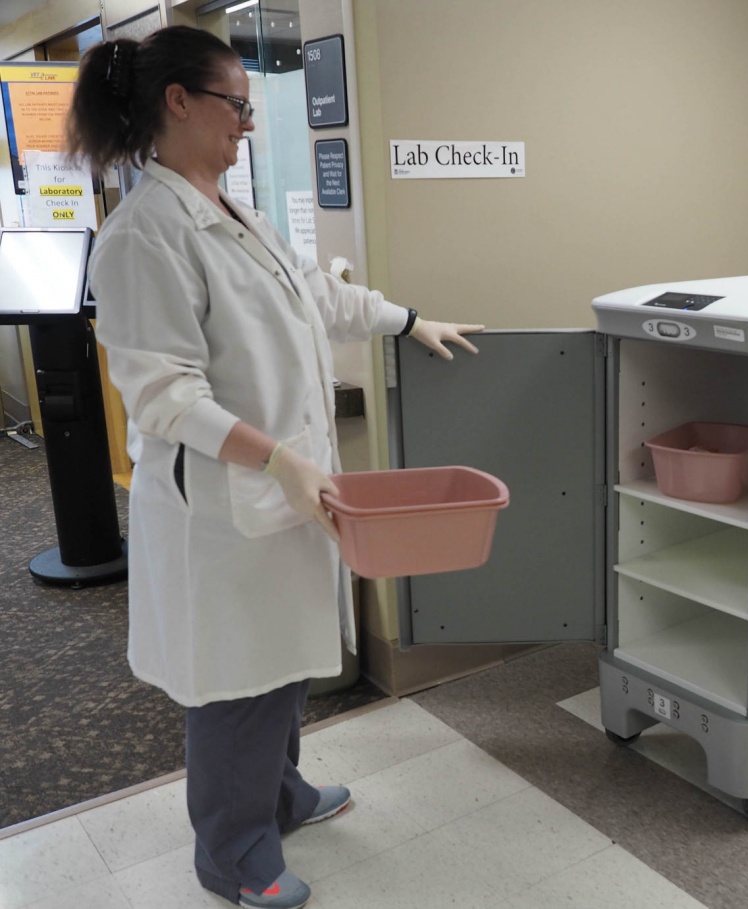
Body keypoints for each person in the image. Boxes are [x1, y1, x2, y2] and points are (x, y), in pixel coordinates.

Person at [66, 25, 483, 909]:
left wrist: (408, 321)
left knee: (283, 664)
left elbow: (314, 291)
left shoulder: (230, 210)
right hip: (224, 506)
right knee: (235, 682)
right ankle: (231, 848)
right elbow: (163, 396)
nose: (248, 124)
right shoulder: (145, 235)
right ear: (178, 102)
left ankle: (279, 794)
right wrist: (280, 459)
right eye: (238, 105)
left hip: (282, 493)